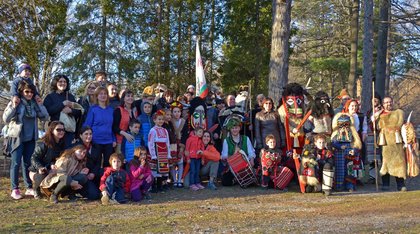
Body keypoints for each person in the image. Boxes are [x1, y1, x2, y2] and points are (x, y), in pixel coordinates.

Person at [3, 81, 50, 200]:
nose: (29, 94)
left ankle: (29, 186)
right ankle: (15, 189)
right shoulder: (16, 102)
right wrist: (14, 106)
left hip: (30, 137)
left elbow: (45, 117)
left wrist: (40, 104)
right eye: (26, 92)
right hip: (17, 137)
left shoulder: (34, 104)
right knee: (16, 163)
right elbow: (6, 119)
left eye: (31, 92)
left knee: (27, 163)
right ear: (21, 92)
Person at [374, 96, 407, 191]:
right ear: (383, 104)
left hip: (396, 140)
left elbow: (404, 126)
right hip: (384, 141)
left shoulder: (399, 113)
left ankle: (401, 184)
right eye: (386, 102)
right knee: (385, 162)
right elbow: (374, 127)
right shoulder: (379, 115)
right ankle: (385, 184)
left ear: (393, 102)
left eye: (390, 102)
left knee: (399, 161)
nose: (388, 104)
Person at [29, 121, 66, 199]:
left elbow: (56, 158)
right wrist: (40, 167)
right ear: (52, 130)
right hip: (38, 169)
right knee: (41, 175)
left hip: (53, 169)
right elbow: (34, 158)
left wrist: (52, 164)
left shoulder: (63, 143)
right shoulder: (43, 143)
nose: (61, 132)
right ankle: (36, 189)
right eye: (58, 130)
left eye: (63, 130)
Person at [44, 74, 82, 148]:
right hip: (55, 131)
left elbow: (79, 112)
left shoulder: (70, 96)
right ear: (55, 83)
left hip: (68, 130)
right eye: (60, 81)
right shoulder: (50, 97)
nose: (63, 83)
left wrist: (71, 111)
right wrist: (62, 104)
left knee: (67, 152)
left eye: (65, 82)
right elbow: (48, 111)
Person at [83, 86, 116, 168]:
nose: (103, 95)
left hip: (108, 141)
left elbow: (112, 126)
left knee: (108, 164)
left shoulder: (111, 110)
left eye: (105, 94)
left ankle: (107, 180)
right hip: (96, 141)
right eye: (100, 94)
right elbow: (87, 125)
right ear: (97, 96)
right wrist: (86, 138)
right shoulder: (93, 109)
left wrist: (114, 139)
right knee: (96, 164)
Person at [331, 112, 362, 192]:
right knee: (340, 170)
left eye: (346, 123)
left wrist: (354, 151)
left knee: (350, 169)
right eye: (342, 123)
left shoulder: (353, 133)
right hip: (339, 153)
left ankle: (350, 185)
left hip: (349, 153)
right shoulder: (336, 133)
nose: (344, 126)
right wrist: (339, 146)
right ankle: (339, 185)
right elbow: (333, 143)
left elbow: (357, 144)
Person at [221, 117, 256, 186]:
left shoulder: (246, 138)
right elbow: (224, 156)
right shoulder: (226, 141)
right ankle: (235, 179)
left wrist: (252, 160)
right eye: (233, 128)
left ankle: (238, 179)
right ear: (230, 129)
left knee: (251, 183)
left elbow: (251, 152)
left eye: (236, 128)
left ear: (239, 128)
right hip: (233, 167)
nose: (235, 130)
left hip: (245, 166)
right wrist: (234, 155)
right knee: (226, 182)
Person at [72, 126, 101, 200]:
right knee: (94, 195)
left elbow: (98, 163)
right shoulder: (76, 147)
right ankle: (75, 191)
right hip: (81, 174)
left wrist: (93, 173)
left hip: (93, 173)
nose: (89, 136)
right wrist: (83, 173)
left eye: (90, 134)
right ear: (81, 135)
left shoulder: (96, 146)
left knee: (103, 171)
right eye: (86, 134)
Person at [148, 110, 171, 192]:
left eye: (162, 119)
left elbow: (167, 142)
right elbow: (150, 143)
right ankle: (155, 186)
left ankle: (162, 185)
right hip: (156, 153)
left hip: (163, 153)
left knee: (163, 169)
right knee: (155, 170)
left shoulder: (165, 130)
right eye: (159, 119)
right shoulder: (152, 130)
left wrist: (168, 154)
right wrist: (153, 154)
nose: (161, 121)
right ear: (154, 120)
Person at [170, 101, 189, 188]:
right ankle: (174, 180)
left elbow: (185, 134)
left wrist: (182, 145)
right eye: (175, 112)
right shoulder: (170, 122)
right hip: (173, 143)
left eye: (178, 111)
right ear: (172, 113)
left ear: (181, 112)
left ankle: (179, 180)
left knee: (180, 162)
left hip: (180, 143)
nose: (177, 113)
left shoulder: (184, 122)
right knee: (173, 162)